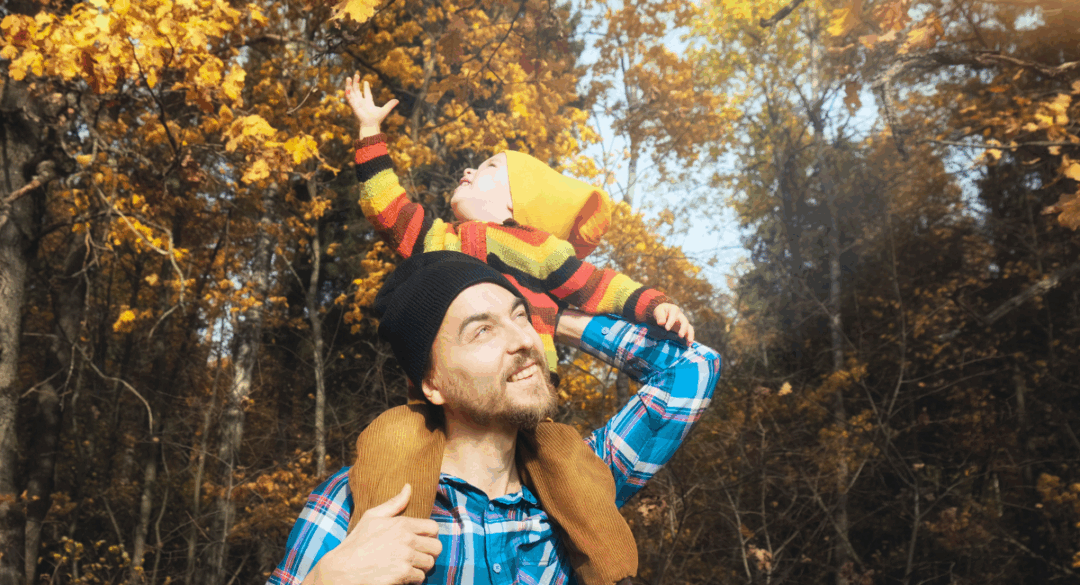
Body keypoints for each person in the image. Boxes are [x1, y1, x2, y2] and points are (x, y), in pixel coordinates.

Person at [338, 73, 704, 583]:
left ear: (516, 204)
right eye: (482, 328)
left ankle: (607, 566)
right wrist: (369, 133)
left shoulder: (540, 249)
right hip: (428, 417)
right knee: (393, 441)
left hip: (532, 417)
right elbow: (390, 210)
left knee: (572, 476)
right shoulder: (443, 243)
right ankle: (385, 549)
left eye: (489, 170)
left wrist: (650, 304)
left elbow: (597, 285)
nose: (469, 168)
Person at [266, 251, 721, 585]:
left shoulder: (582, 483)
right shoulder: (357, 505)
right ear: (433, 384)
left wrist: (560, 319)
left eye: (520, 316)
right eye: (482, 330)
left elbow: (692, 366)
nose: (523, 340)